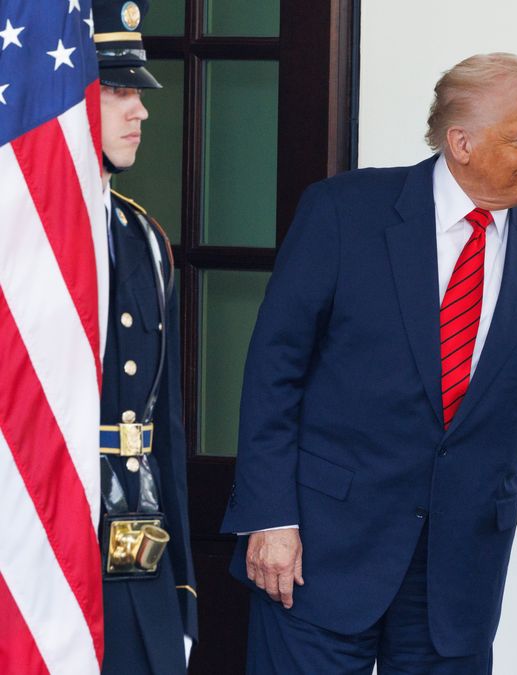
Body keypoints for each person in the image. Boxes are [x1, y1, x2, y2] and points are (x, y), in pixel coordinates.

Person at [220, 52, 517, 673]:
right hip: (319, 550)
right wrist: (269, 516)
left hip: (457, 572)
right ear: (461, 142)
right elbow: (274, 370)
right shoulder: (344, 211)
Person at [94, 0, 198, 672]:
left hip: (137, 560)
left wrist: (182, 590)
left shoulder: (144, 238)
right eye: (118, 90)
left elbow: (166, 433)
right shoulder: (18, 239)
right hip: (39, 553)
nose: (141, 111)